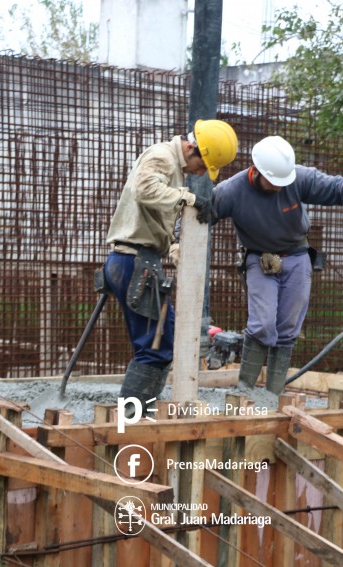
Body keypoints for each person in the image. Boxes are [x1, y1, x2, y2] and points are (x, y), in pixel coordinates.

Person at [212, 135, 343, 394]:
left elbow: (331, 185)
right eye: (273, 182)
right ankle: (244, 389)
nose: (279, 187)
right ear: (257, 171)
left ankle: (273, 394)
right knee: (262, 324)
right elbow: (202, 211)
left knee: (288, 327)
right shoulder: (231, 191)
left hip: (296, 256)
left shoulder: (295, 177)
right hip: (259, 258)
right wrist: (179, 241)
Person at [104, 119, 238, 411]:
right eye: (203, 166)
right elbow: (144, 190)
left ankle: (137, 414)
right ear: (192, 148)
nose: (200, 173)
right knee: (156, 346)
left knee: (158, 342)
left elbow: (157, 219)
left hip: (136, 260)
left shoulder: (173, 168)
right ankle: (133, 419)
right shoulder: (162, 157)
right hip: (134, 260)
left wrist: (177, 250)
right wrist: (188, 199)